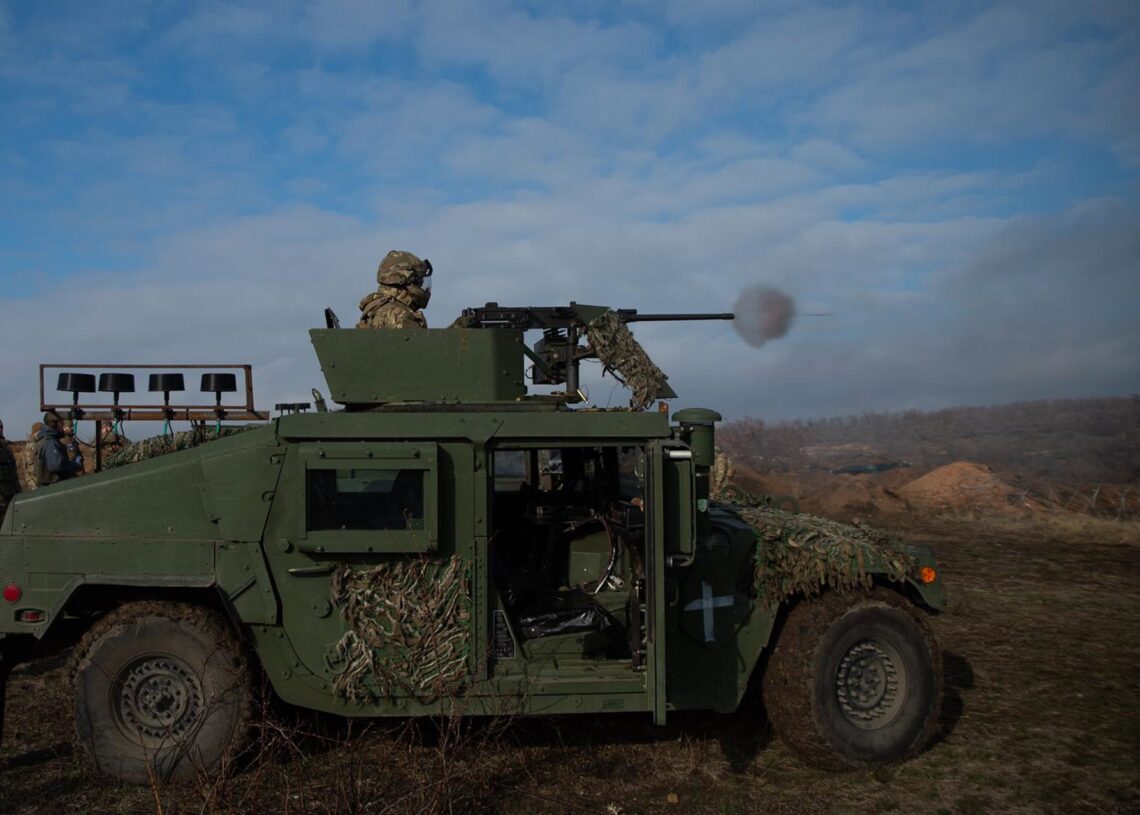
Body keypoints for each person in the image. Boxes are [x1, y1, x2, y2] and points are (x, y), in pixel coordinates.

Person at [356, 250, 433, 329]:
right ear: (404, 282)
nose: (422, 288)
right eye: (418, 283)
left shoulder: (378, 309)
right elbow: (416, 341)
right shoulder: (397, 315)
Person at [33, 411, 84, 486]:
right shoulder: (50, 443)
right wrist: (75, 464)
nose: (63, 425)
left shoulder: (46, 440)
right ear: (56, 424)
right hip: (54, 488)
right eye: (61, 423)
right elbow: (57, 467)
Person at [0, 419, 20, 514]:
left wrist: (19, 492)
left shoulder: (6, 448)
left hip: (10, 493)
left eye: (1, 427)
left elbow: (14, 473)